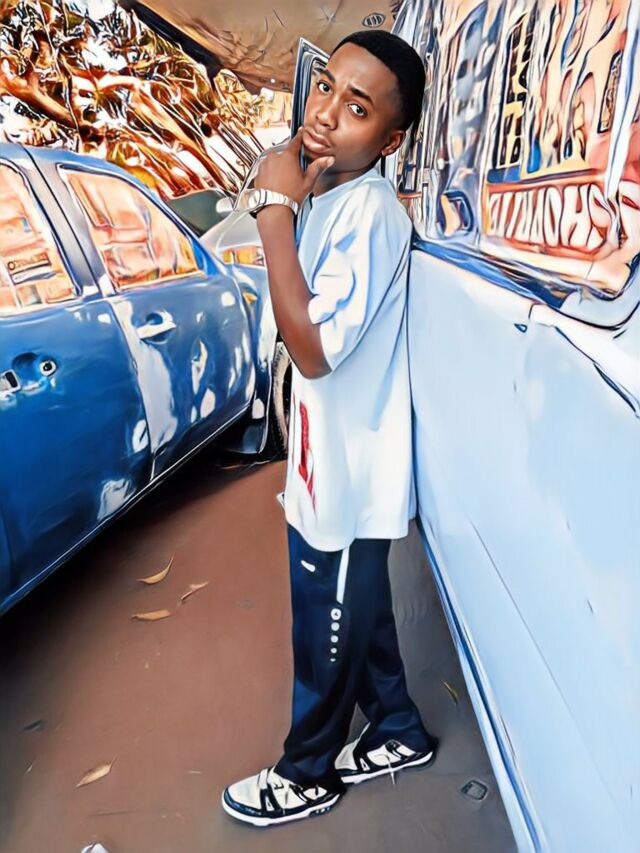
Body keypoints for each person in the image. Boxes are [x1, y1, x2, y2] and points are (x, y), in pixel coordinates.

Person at [222, 29, 436, 827]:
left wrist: (275, 212)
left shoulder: (370, 213)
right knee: (360, 609)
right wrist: (295, 196)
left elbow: (312, 351)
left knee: (326, 625)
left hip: (349, 475)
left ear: (390, 140)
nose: (325, 114)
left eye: (357, 107)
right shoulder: (333, 196)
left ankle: (307, 770)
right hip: (324, 463)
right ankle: (399, 728)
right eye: (325, 88)